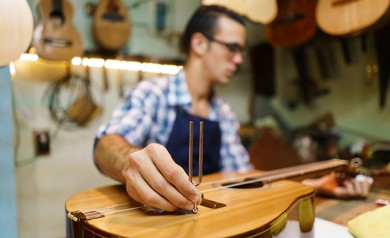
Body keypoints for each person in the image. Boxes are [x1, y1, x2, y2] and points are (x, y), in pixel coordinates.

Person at [93, 5, 372, 213]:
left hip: (209, 226)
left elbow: (244, 179)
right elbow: (105, 144)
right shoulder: (153, 94)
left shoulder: (223, 113)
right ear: (199, 43)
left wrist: (313, 184)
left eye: (242, 51)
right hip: (154, 232)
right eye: (232, 48)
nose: (239, 60)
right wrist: (126, 160)